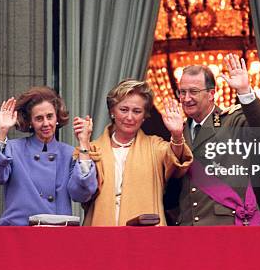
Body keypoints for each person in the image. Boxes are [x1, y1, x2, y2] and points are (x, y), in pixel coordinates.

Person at [173, 53, 260, 226]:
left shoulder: (232, 121)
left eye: (194, 92)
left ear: (211, 94)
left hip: (225, 226)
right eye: (182, 92)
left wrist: (244, 91)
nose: (186, 98)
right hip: (189, 228)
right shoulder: (178, 131)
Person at [73, 79, 193, 226]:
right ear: (112, 111)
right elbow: (80, 193)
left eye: (137, 111)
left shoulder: (154, 146)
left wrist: (176, 134)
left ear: (144, 116)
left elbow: (177, 160)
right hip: (101, 234)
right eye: (123, 109)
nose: (129, 117)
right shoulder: (93, 149)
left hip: (145, 236)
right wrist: (84, 143)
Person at [0, 86, 97, 226]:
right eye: (39, 118)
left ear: (57, 118)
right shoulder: (13, 149)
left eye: (50, 116)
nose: (46, 123)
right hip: (19, 233)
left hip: (57, 234)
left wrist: (84, 143)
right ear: (30, 122)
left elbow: (82, 194)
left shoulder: (69, 154)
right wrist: (3, 130)